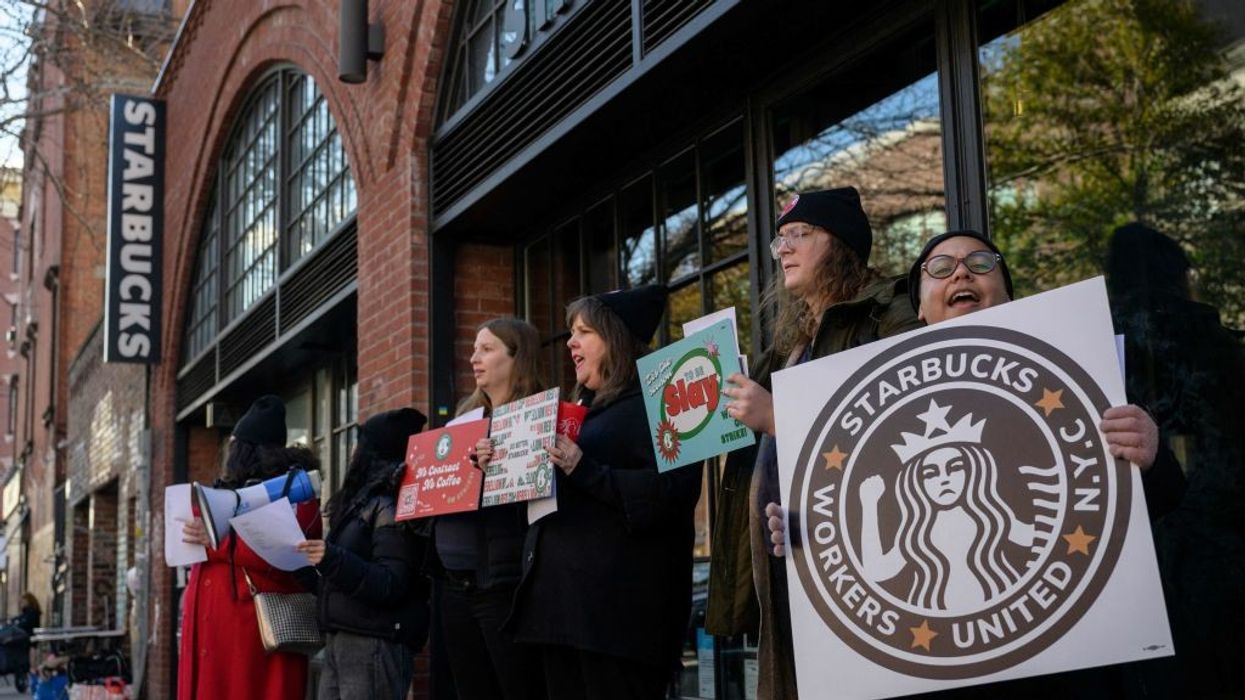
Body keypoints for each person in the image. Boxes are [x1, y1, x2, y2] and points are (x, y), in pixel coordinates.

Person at [708, 187, 921, 699]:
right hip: (791, 568)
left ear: (842, 244)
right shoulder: (787, 346)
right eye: (780, 239)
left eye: (799, 235)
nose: (783, 249)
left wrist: (777, 417)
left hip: (866, 575)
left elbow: (899, 436)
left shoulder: (889, 316)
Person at [508, 285, 703, 700]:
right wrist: (503, 465)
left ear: (614, 338)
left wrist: (586, 469)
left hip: (617, 623)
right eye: (570, 332)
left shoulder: (663, 400)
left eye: (584, 332)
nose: (571, 342)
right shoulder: (584, 411)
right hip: (559, 613)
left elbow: (672, 492)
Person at [428, 319, 546, 700]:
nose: (473, 358)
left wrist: (496, 468)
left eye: (487, 349)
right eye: (475, 348)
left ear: (517, 357)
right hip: (455, 584)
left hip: (504, 587)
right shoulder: (463, 420)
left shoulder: (537, 417)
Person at [178, 395, 322, 700]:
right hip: (222, 637)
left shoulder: (295, 493)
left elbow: (289, 553)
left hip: (255, 635)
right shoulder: (229, 492)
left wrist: (217, 540)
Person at [296, 408, 431, 700]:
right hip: (341, 638)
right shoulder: (363, 503)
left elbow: (390, 583)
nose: (354, 451)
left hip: (374, 643)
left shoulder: (389, 506)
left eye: (361, 443)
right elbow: (342, 577)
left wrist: (331, 558)